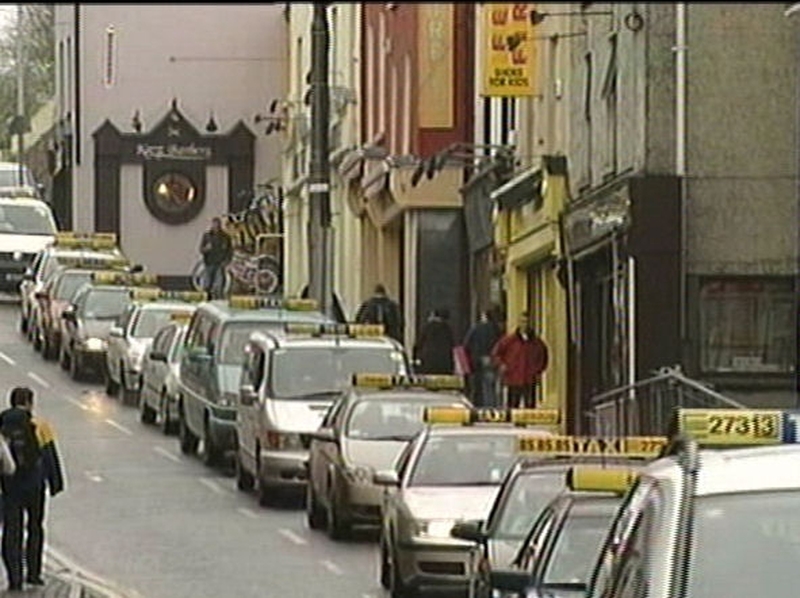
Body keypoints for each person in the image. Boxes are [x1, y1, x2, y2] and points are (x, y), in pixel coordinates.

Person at [0, 387, 65, 592]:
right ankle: (34, 573)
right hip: (34, 486)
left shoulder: (2, 426)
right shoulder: (39, 426)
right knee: (35, 527)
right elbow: (49, 455)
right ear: (29, 403)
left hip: (9, 487)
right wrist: (55, 483)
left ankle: (15, 578)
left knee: (12, 530)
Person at [491, 312, 549, 408]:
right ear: (519, 323)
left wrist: (537, 371)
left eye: (527, 322)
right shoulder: (509, 340)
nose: (525, 324)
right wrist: (502, 365)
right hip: (513, 378)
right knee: (513, 405)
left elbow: (543, 357)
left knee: (529, 405)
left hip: (529, 379)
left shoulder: (537, 342)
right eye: (522, 321)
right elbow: (496, 354)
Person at [463, 307, 502, 407]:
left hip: (477, 359)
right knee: (490, 384)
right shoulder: (496, 329)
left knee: (478, 383)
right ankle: (491, 404)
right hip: (491, 358)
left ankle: (478, 403)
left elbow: (466, 345)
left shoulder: (476, 328)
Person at [199, 217, 234, 299]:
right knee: (207, 283)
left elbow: (230, 250)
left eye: (217, 224)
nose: (215, 226)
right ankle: (207, 298)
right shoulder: (207, 236)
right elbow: (201, 249)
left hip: (220, 263)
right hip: (209, 262)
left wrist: (227, 261)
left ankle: (219, 298)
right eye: (214, 224)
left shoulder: (225, 237)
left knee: (219, 284)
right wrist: (206, 249)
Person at [413, 308, 455, 375]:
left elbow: (418, 344)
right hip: (444, 365)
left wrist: (416, 359)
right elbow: (452, 346)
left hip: (428, 363)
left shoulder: (427, 328)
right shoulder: (447, 330)